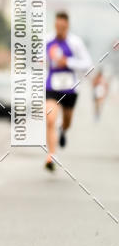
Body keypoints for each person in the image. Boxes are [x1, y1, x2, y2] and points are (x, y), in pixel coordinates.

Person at [44, 11, 92, 172]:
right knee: (50, 119)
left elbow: (87, 64)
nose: (60, 29)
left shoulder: (75, 43)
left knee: (67, 121)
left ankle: (63, 130)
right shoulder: (48, 40)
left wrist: (68, 62)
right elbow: (38, 59)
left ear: (67, 26)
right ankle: (52, 155)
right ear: (55, 25)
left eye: (63, 27)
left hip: (70, 89)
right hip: (52, 87)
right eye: (57, 26)